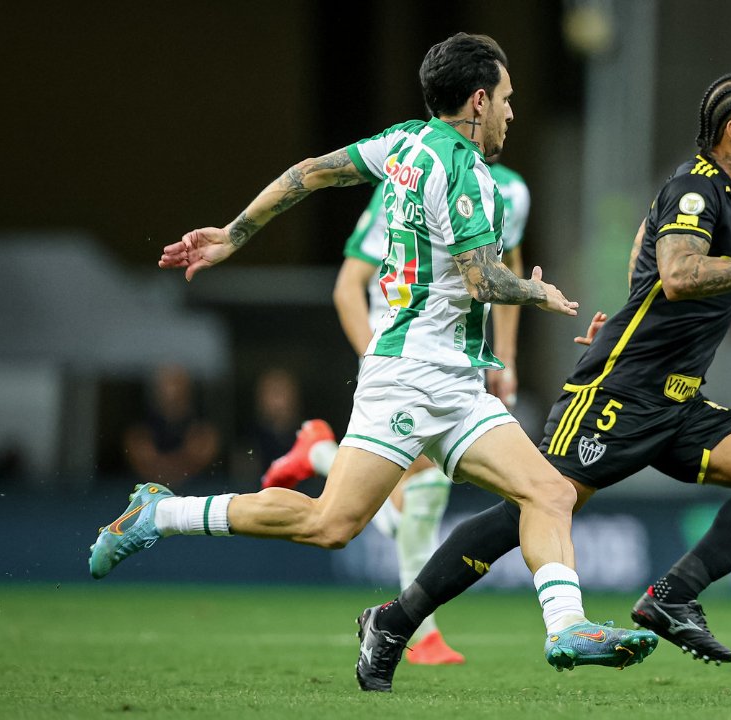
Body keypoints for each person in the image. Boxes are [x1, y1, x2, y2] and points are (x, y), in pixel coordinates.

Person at [87, 32, 657, 691]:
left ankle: (567, 628)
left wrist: (234, 233)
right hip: (411, 379)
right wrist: (536, 290)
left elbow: (308, 173)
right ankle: (160, 512)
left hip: (455, 382)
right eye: (504, 99)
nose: (509, 112)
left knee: (549, 490)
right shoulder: (463, 169)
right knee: (332, 524)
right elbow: (482, 280)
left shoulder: (402, 143)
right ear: (477, 100)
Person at [360, 72, 731, 688]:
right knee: (531, 507)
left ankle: (673, 596)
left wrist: (634, 304)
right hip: (620, 392)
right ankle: (394, 621)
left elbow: (648, 247)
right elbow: (681, 273)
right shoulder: (697, 187)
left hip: (678, 401)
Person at [260, 160, 531, 665]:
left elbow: (503, 272)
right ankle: (420, 632)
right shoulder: (408, 179)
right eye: (501, 98)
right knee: (412, 494)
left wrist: (505, 359)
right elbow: (348, 286)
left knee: (410, 497)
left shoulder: (511, 191)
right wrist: (381, 366)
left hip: (450, 362)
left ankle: (318, 452)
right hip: (399, 359)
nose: (508, 112)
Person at [123, 364, 221, 489]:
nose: (172, 391)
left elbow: (201, 456)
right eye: (167, 385)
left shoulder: (201, 428)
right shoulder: (140, 428)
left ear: (188, 389)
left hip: (195, 488)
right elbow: (141, 459)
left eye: (176, 384)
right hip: (149, 491)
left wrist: (173, 469)